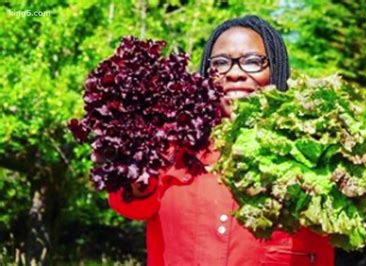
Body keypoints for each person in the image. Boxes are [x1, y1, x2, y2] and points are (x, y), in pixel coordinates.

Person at [108, 15, 335, 266]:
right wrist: (136, 183)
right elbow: (131, 207)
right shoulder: (175, 142)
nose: (235, 72)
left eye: (252, 61)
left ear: (276, 69)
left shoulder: (314, 144)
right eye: (221, 62)